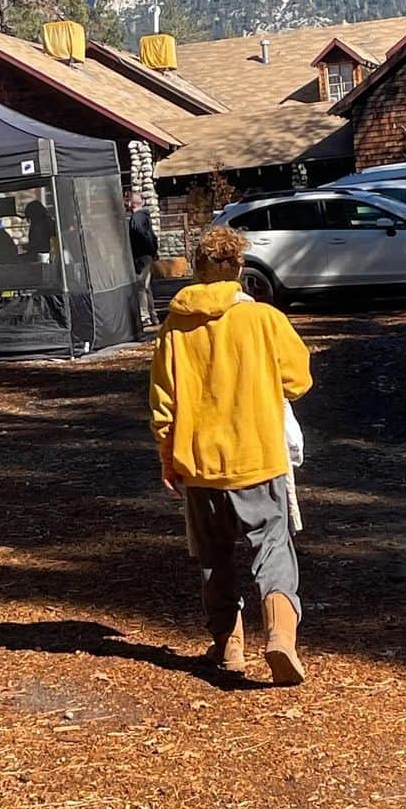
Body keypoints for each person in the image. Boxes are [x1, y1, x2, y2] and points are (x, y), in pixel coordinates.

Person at [149, 225, 312, 684]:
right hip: (257, 456)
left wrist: (167, 453)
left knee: (213, 556)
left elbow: (163, 401)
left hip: (199, 463)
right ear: (238, 268)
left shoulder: (174, 327)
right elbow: (298, 381)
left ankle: (228, 647)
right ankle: (280, 636)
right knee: (273, 547)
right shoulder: (263, 320)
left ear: (197, 270)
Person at [128, 192, 159, 329]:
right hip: (147, 255)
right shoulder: (144, 217)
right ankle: (153, 315)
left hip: (141, 256)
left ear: (131, 203)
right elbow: (151, 236)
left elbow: (142, 235)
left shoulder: (136, 219)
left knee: (141, 286)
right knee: (146, 287)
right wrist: (153, 251)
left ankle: (144, 316)